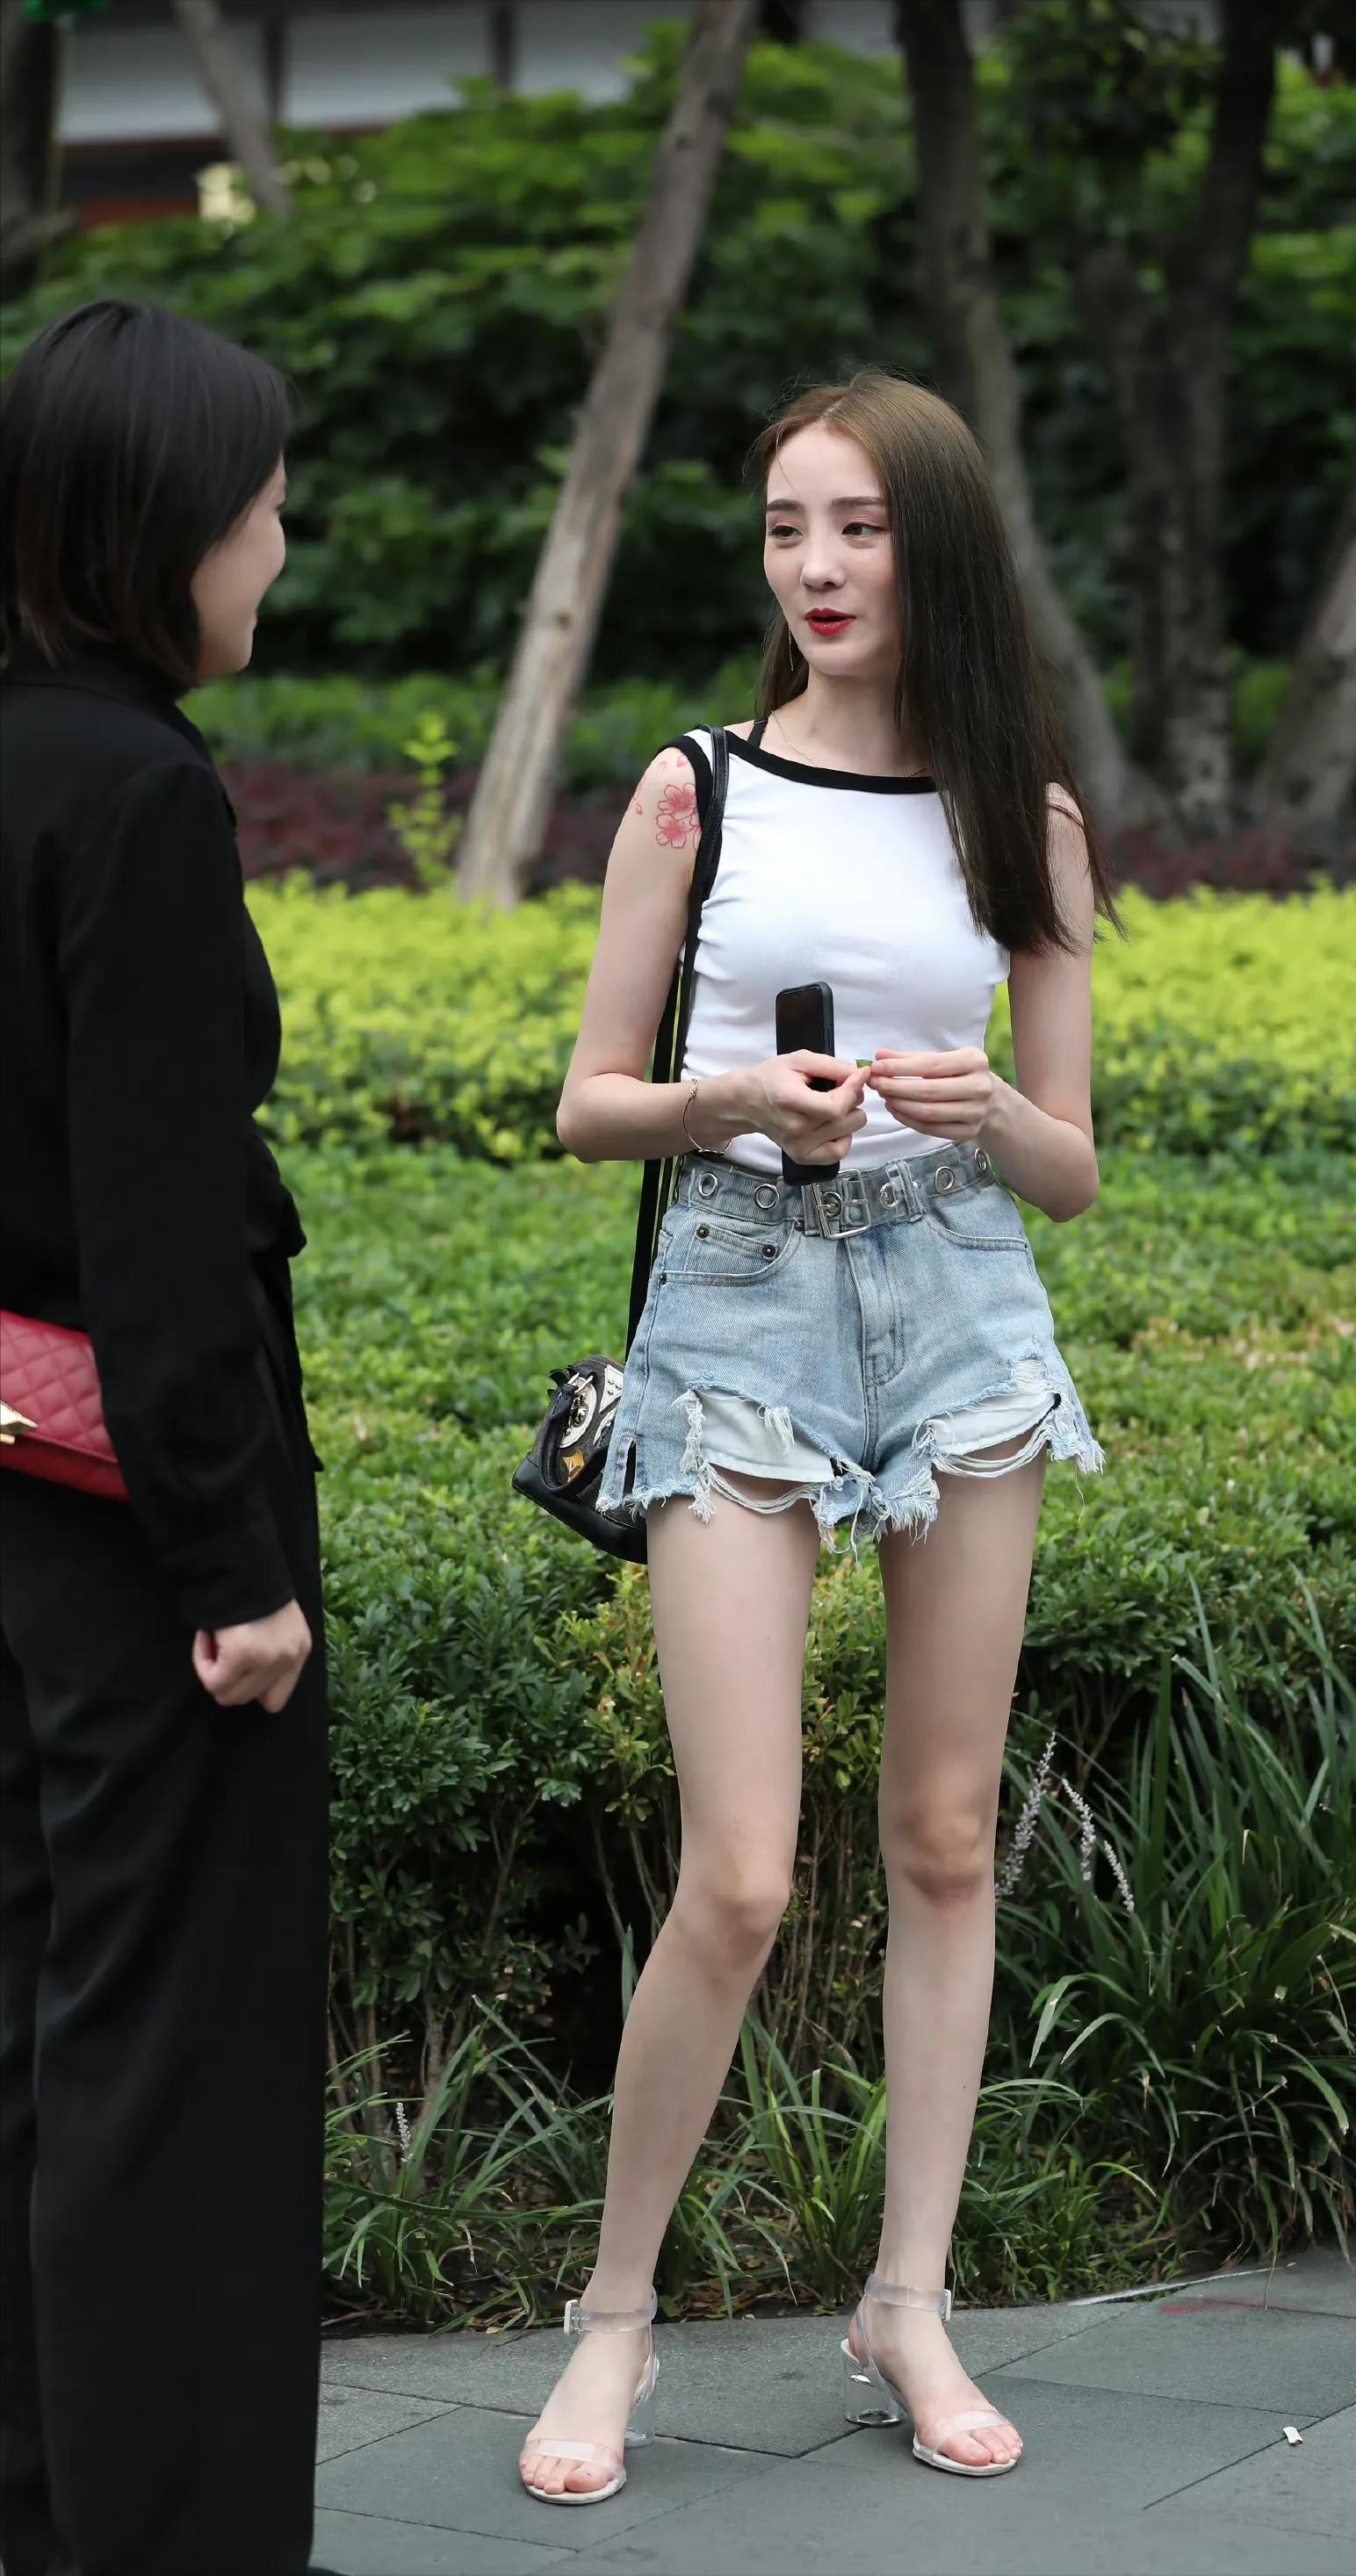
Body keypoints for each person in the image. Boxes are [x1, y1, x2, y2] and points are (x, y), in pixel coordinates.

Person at [521, 370, 1114, 2505]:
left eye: (855, 526)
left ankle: (905, 2297)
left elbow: (1072, 1171)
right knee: (747, 1874)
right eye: (785, 528)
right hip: (740, 1314)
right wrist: (722, 1106)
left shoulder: (1016, 814)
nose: (818, 567)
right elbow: (588, 1097)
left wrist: (995, 1115)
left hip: (960, 1313)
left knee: (944, 1840)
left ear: (927, 542)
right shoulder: (695, 790)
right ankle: (613, 2325)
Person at [0, 302, 330, 2576]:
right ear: (158, 533)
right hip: (139, 1545)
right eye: (257, 505)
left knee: (35, 2040)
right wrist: (234, 1571)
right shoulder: (133, 793)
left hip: (6, 1497)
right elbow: (164, 1235)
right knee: (166, 2077)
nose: (279, 546)